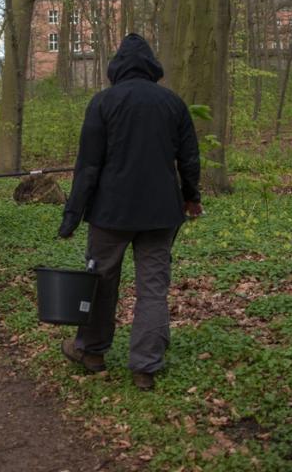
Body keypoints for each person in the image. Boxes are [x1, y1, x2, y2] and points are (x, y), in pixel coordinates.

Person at [57, 33, 202, 391]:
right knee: (153, 289)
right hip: (160, 212)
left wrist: (72, 215)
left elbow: (88, 166)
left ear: (117, 67)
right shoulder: (172, 103)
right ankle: (145, 367)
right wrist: (191, 197)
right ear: (152, 66)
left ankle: (91, 351)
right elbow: (189, 159)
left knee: (101, 282)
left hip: (111, 213)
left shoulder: (103, 103)